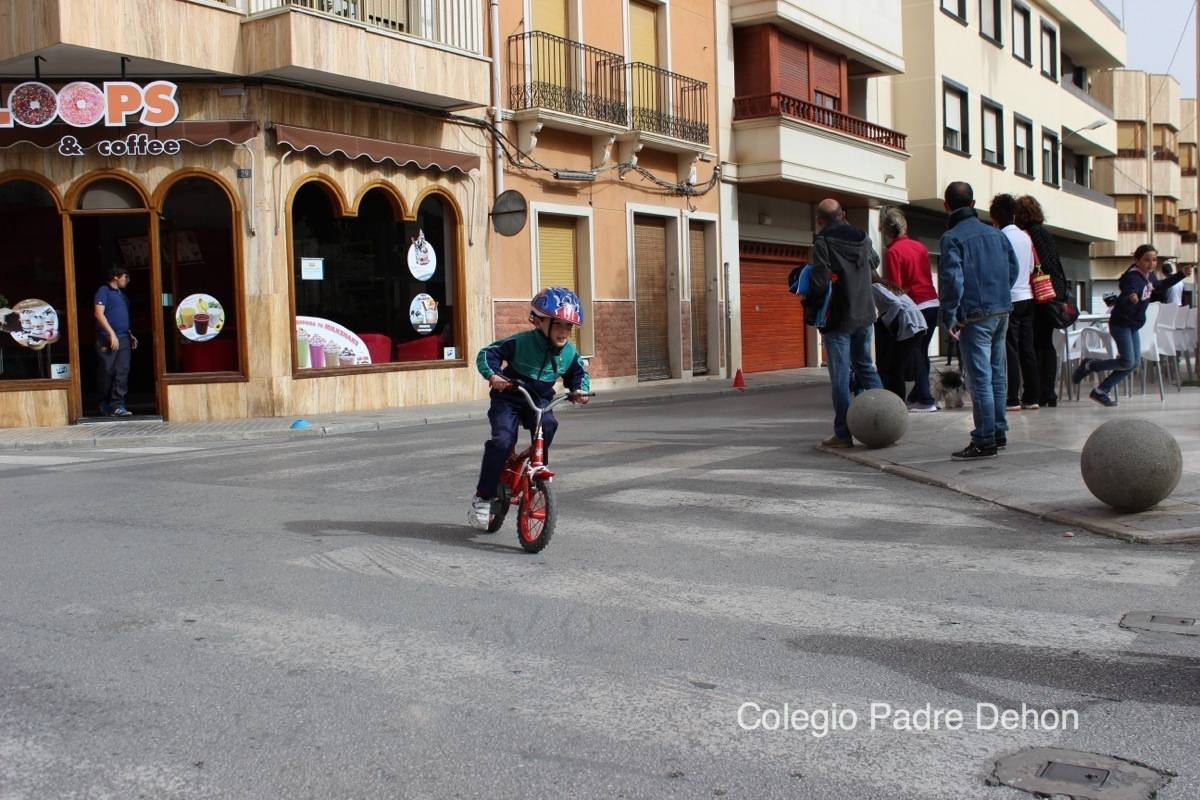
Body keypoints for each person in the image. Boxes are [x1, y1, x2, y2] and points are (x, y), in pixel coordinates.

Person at [468, 287, 591, 530]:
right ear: (539, 321)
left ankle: (535, 471)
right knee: (502, 441)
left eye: (569, 327)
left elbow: (579, 372)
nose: (564, 332)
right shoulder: (521, 342)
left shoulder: (569, 353)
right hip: (510, 397)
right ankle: (483, 496)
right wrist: (494, 376)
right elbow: (487, 354)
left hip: (540, 401)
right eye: (558, 325)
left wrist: (580, 390)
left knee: (549, 424)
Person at [939, 182, 1019, 460]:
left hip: (974, 315)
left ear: (947, 206)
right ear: (973, 204)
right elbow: (1013, 269)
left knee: (980, 378)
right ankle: (997, 430)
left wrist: (949, 315)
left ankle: (984, 439)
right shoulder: (996, 235)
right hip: (1001, 310)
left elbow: (952, 280)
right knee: (997, 374)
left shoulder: (952, 237)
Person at [805, 198, 883, 448]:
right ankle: (884, 421)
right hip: (865, 313)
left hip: (837, 317)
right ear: (844, 214)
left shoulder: (823, 241)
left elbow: (819, 280)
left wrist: (809, 303)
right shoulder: (862, 236)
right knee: (866, 368)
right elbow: (874, 261)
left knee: (840, 376)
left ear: (820, 220)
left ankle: (843, 434)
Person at [1072, 246, 1192, 406]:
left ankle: (1100, 391)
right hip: (1121, 324)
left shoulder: (1148, 276)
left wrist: (1181, 274)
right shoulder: (1133, 276)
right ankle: (1090, 365)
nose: (1151, 263)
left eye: (1154, 260)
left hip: (1133, 325)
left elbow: (1160, 285)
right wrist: (1131, 296)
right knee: (1128, 362)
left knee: (1132, 363)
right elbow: (1127, 289)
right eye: (1147, 260)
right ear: (1137, 260)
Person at [880, 207, 939, 412]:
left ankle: (925, 398)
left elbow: (896, 287)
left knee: (915, 353)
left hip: (915, 306)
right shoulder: (920, 247)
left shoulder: (893, 252)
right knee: (922, 351)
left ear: (886, 230)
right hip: (932, 302)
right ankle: (919, 394)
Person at [1014, 195, 1067, 407]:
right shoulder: (1046, 234)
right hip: (1053, 294)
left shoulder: (1027, 235)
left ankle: (1037, 391)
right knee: (1047, 345)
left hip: (1038, 295)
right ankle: (1049, 392)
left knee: (1034, 345)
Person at [990, 194, 1039, 411]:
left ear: (996, 215)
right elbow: (1030, 268)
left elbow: (998, 270)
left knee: (1009, 348)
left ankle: (1011, 397)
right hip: (1027, 296)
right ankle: (1031, 397)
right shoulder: (1026, 237)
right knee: (1027, 347)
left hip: (1009, 298)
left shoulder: (999, 237)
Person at [871, 274, 928, 400]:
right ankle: (901, 400)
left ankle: (898, 402)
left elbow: (895, 303)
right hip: (915, 325)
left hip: (910, 326)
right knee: (899, 366)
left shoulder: (874, 286)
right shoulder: (885, 285)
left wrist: (886, 320)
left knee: (897, 368)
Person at [93, 266, 138, 417]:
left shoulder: (122, 295)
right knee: (107, 370)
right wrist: (111, 334)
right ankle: (104, 403)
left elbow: (122, 317)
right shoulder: (103, 291)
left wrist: (129, 334)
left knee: (122, 371)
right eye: (125, 277)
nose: (127, 280)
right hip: (107, 338)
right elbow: (99, 314)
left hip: (124, 337)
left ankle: (118, 405)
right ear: (116, 277)